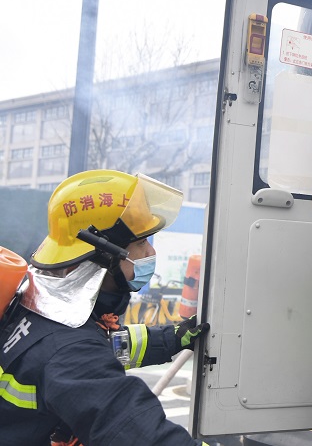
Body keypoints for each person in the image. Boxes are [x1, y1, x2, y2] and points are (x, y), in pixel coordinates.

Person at [0, 170, 210, 446]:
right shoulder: (68, 350)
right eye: (141, 242)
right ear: (105, 253)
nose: (150, 253)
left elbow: (105, 343)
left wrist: (171, 338)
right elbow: (137, 433)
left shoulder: (37, 299)